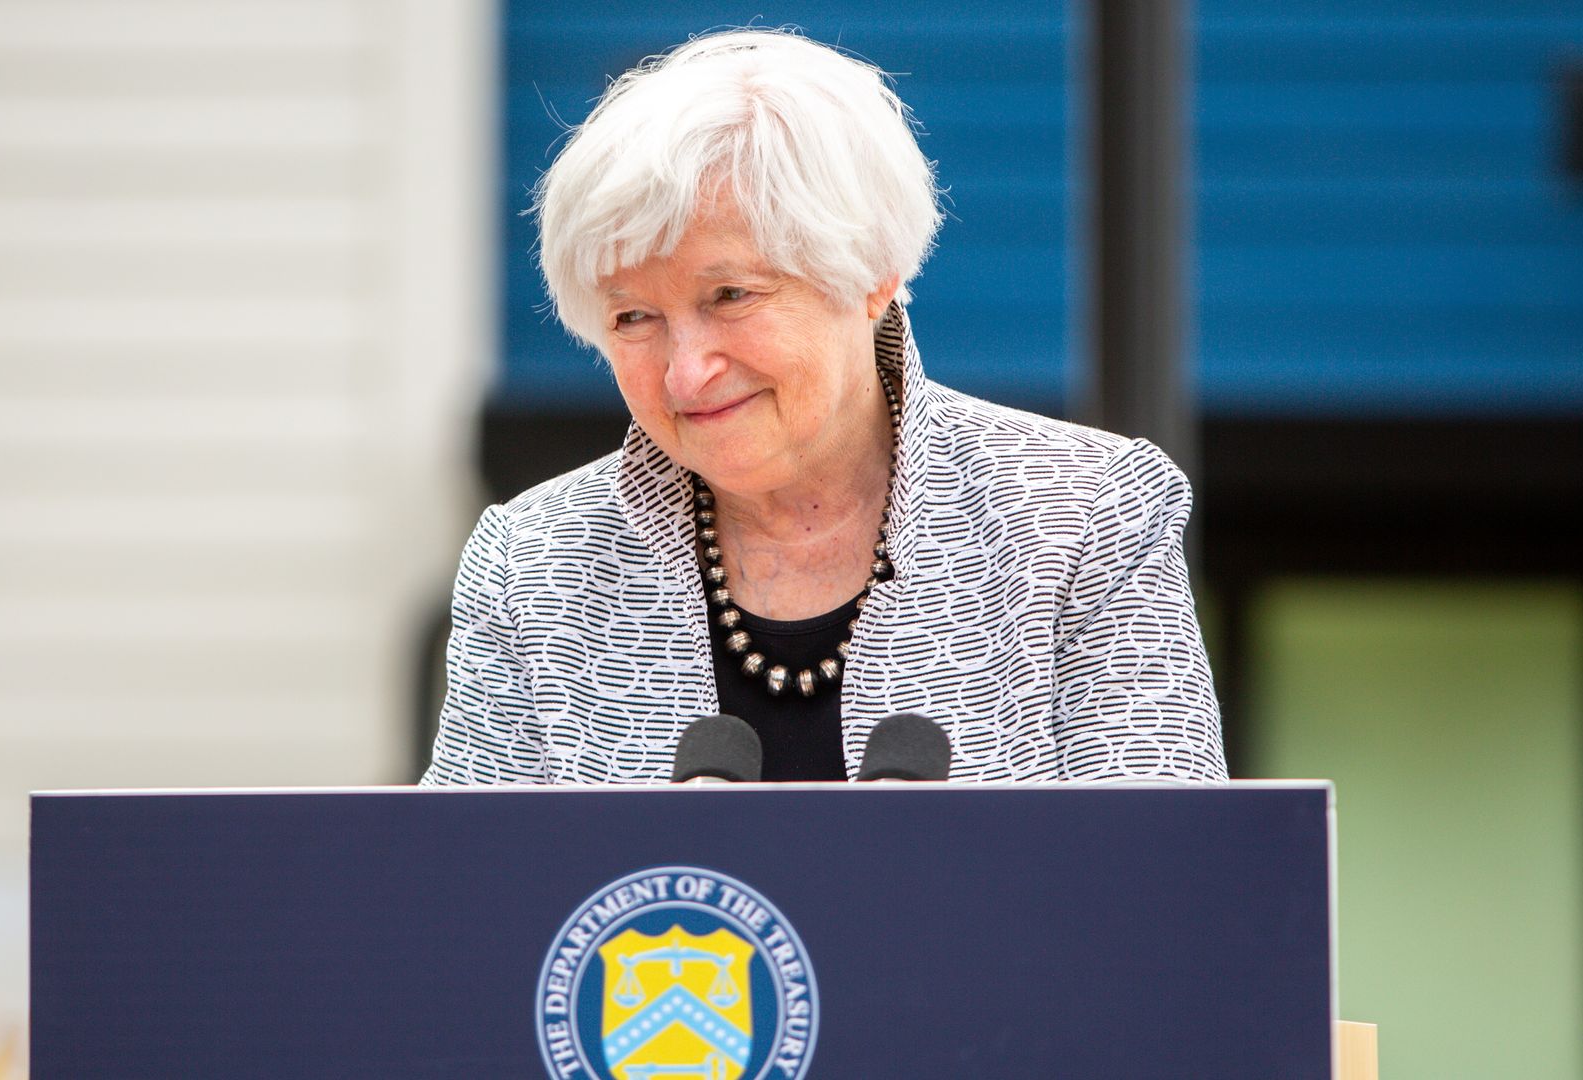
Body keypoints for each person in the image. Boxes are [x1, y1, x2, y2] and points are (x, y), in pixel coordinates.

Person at [422, 29, 1225, 785]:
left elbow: (1169, 885)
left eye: (730, 295)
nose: (686, 374)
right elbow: (463, 903)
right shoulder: (532, 566)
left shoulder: (1081, 513)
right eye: (634, 317)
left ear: (869, 275)